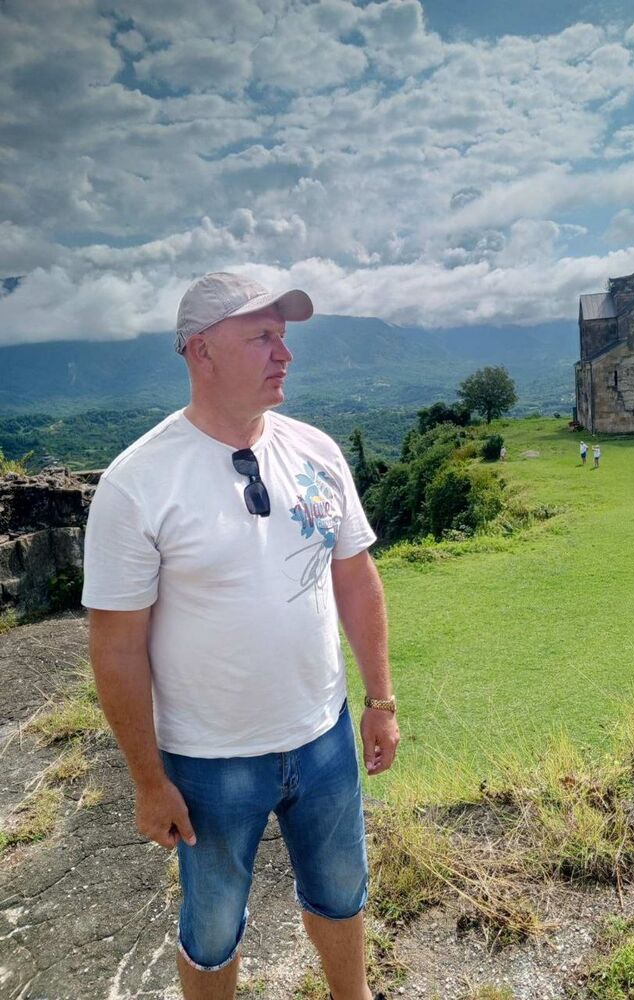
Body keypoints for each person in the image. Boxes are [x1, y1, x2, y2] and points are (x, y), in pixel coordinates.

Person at [82, 271, 399, 1000]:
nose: (284, 353)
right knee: (214, 923)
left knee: (342, 890)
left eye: (282, 337)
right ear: (201, 351)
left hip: (322, 736)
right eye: (261, 337)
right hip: (208, 759)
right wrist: (148, 782)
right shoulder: (138, 482)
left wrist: (380, 700)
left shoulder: (316, 451)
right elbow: (117, 646)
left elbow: (356, 578)